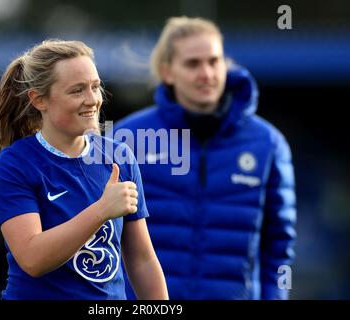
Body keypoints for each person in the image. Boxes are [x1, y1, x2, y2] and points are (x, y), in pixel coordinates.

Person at [114, 17, 297, 299]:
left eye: (214, 61)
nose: (206, 73)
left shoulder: (268, 143)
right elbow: (102, 237)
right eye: (192, 64)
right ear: (167, 73)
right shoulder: (127, 138)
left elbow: (279, 246)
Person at [0, 39, 168, 300]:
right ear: (39, 100)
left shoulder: (119, 156)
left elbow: (141, 259)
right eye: (77, 91)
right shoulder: (14, 164)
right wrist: (101, 210)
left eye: (95, 87)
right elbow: (33, 258)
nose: (92, 100)